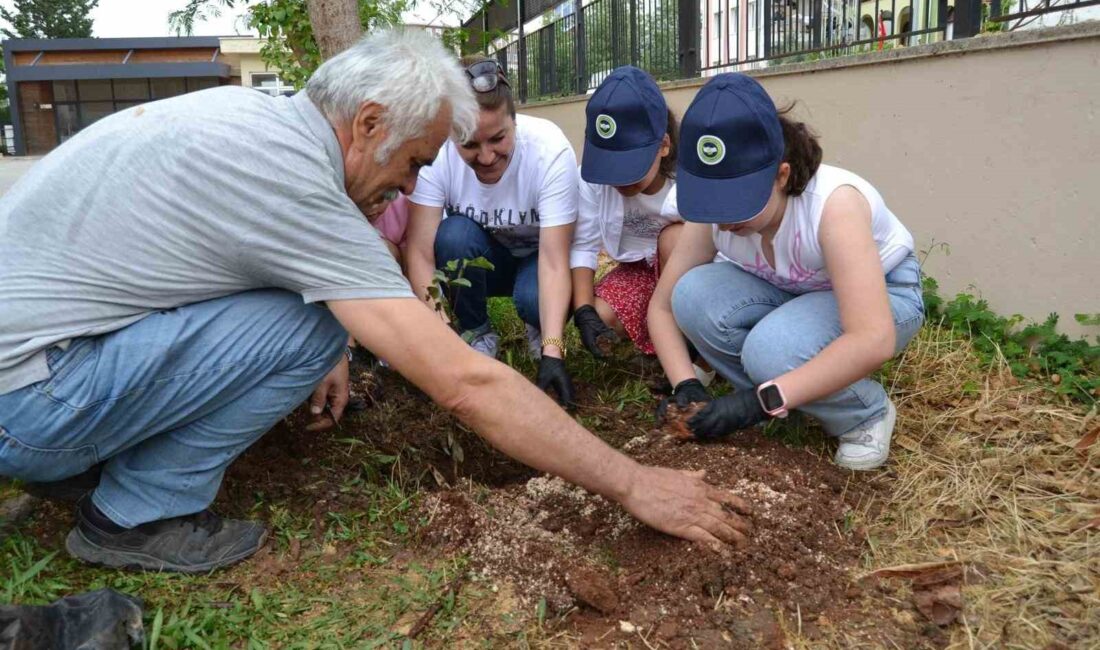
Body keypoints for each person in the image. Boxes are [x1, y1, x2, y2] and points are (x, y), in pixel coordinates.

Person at [0, 31, 751, 574]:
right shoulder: (295, 180)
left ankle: (86, 454)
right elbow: (464, 381)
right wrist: (633, 482)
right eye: (415, 160)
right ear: (366, 122)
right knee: (306, 324)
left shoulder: (256, 122)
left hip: (36, 364)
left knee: (320, 324)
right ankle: (134, 515)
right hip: (31, 399)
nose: (411, 183)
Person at [649, 73, 924, 470]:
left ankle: (864, 413)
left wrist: (759, 403)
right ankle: (793, 390)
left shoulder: (833, 206)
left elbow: (873, 337)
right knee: (691, 294)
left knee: (772, 352)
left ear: (781, 175)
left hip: (885, 295)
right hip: (791, 286)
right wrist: (685, 385)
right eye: (713, 202)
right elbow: (663, 308)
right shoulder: (714, 213)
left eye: (736, 203)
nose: (722, 221)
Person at [405, 57, 578, 407]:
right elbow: (420, 252)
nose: (486, 157)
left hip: (538, 257)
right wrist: (440, 337)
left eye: (498, 138)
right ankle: (476, 332)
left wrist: (553, 352)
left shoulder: (550, 150)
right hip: (484, 257)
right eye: (469, 144)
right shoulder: (436, 154)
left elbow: (556, 260)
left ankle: (538, 324)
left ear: (515, 121)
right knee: (452, 235)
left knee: (533, 300)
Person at [570, 66, 684, 360]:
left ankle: (687, 347)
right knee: (602, 314)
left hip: (685, 272)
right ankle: (657, 333)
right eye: (610, 167)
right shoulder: (591, 182)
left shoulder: (686, 183)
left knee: (675, 238)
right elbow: (583, 245)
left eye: (630, 167)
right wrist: (584, 311)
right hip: (639, 271)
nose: (619, 180)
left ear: (663, 146)